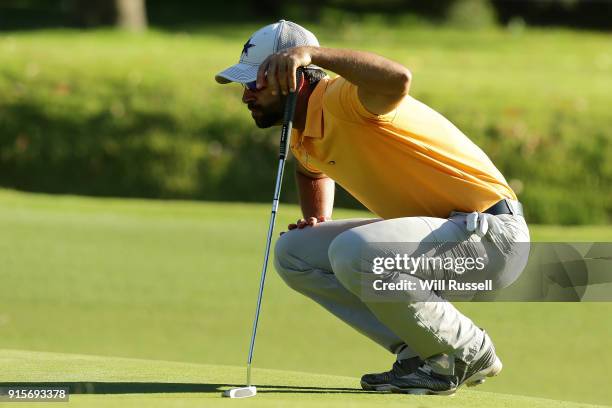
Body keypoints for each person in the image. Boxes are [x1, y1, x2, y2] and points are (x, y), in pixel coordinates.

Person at [215, 20, 530, 395]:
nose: (246, 96)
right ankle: (421, 351)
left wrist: (314, 54)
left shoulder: (342, 98)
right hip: (447, 236)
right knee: (293, 253)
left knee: (354, 251)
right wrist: (318, 219)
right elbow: (311, 172)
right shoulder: (302, 129)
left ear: (294, 77)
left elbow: (399, 79)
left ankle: (465, 351)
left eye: (255, 84)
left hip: (493, 238)